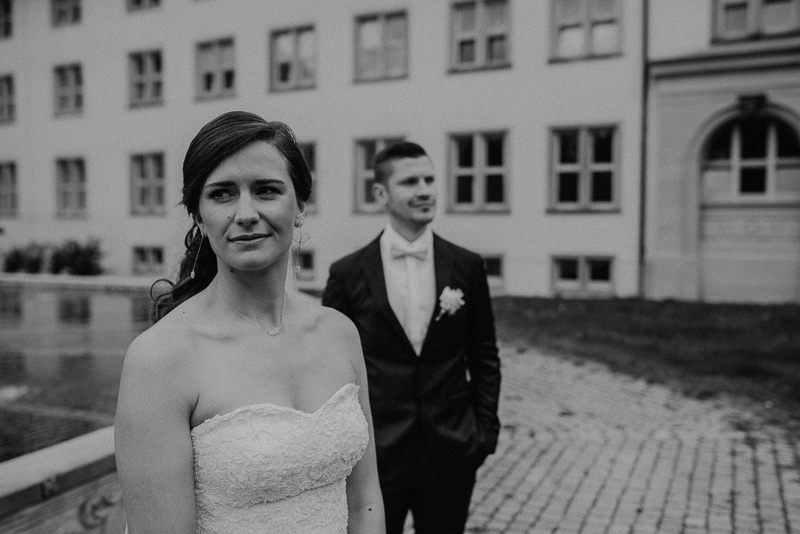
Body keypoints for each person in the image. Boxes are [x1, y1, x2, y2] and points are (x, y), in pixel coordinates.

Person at [115, 111, 385, 534]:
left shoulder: (338, 332)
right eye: (222, 194)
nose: (246, 213)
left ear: (300, 205)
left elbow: (365, 498)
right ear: (199, 216)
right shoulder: (159, 358)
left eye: (266, 190)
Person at [322, 142, 501, 534]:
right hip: (378, 454)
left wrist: (483, 434)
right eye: (410, 182)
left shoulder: (467, 265)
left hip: (452, 450)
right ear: (380, 193)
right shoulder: (348, 274)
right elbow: (331, 368)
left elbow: (484, 356)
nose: (425, 191)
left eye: (429, 180)